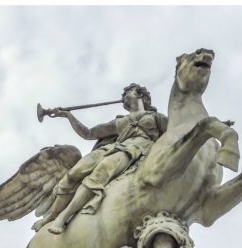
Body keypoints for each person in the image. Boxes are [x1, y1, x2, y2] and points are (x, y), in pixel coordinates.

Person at [34, 83, 168, 235]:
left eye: (127, 92)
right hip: (113, 148)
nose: (123, 96)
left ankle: (62, 218)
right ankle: (51, 215)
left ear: (140, 95)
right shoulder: (120, 121)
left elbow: (176, 134)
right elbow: (88, 133)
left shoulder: (156, 118)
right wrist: (69, 116)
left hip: (136, 149)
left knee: (103, 168)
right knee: (74, 172)